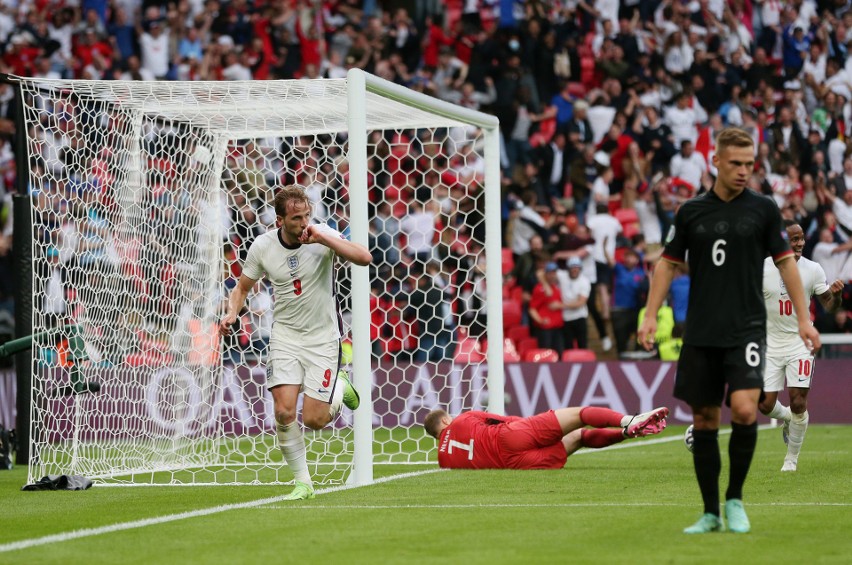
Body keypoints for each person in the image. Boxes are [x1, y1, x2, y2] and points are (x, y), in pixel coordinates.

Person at [637, 128, 821, 535]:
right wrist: (650, 315)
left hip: (747, 328)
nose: (743, 171)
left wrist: (805, 319)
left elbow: (787, 262)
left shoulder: (764, 210)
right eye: (735, 163)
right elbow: (666, 263)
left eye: (749, 164)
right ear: (715, 162)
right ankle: (709, 512)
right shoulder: (690, 212)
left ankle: (735, 499)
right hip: (702, 329)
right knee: (704, 419)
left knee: (742, 409)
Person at [219, 186, 371, 500]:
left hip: (323, 338)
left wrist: (323, 238)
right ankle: (303, 483)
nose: (303, 223)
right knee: (285, 413)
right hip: (285, 336)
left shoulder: (321, 234)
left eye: (306, 216)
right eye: (296, 218)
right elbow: (242, 287)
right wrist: (232, 312)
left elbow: (363, 257)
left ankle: (340, 388)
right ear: (280, 220)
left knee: (315, 420)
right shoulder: (263, 246)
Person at [759, 221, 844, 472]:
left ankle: (791, 460)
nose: (800, 244)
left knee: (798, 401)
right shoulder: (762, 269)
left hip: (800, 342)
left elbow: (829, 305)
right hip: (770, 344)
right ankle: (786, 418)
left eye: (801, 239)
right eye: (794, 239)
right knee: (764, 405)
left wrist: (836, 295)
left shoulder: (813, 269)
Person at [423, 406, 669, 470]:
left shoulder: (443, 460)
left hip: (516, 465)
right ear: (445, 421)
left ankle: (625, 434)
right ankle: (629, 421)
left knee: (578, 439)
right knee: (579, 416)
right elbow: (508, 421)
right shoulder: (464, 419)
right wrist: (536, 427)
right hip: (511, 437)